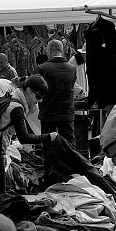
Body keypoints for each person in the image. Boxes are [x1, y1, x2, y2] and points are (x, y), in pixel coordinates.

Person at [0, 75, 58, 205]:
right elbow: (24, 138)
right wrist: (49, 137)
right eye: (38, 96)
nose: (39, 101)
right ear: (29, 91)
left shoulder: (8, 98)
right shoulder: (17, 108)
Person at [37, 39, 78, 174]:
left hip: (48, 112)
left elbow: (38, 89)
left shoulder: (42, 68)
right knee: (69, 143)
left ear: (48, 50)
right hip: (66, 112)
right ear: (62, 50)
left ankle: (51, 173)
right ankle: (71, 171)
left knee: (49, 145)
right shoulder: (72, 68)